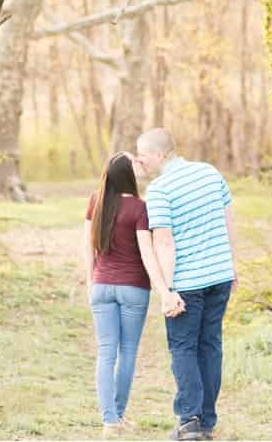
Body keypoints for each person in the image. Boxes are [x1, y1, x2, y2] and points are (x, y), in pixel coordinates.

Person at [135, 128, 238, 441]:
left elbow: (164, 244)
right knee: (210, 345)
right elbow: (228, 219)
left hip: (188, 283)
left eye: (142, 155)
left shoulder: (160, 189)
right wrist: (231, 265)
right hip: (219, 276)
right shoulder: (209, 173)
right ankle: (206, 421)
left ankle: (190, 421)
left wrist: (166, 291)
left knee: (183, 347)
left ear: (159, 154)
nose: (140, 161)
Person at [82, 151, 187, 436]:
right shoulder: (140, 208)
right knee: (126, 352)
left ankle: (110, 419)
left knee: (105, 352)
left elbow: (87, 247)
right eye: (135, 162)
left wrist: (90, 282)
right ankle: (117, 416)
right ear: (128, 173)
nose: (140, 164)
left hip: (101, 287)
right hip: (133, 289)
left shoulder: (96, 202)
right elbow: (146, 252)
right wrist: (162, 288)